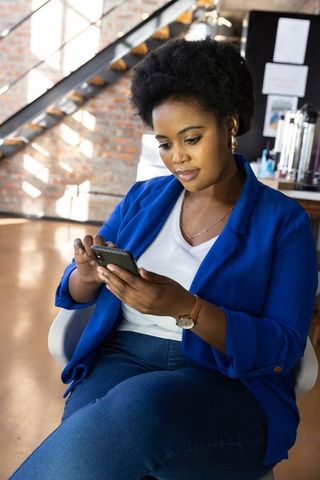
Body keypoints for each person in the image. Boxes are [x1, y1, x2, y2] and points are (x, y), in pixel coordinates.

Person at [10, 38, 317, 480]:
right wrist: (86, 274)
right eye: (165, 143)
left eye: (191, 138)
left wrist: (185, 308)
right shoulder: (144, 198)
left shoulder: (284, 222)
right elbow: (74, 291)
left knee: (136, 410)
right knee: (100, 424)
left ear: (230, 124)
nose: (177, 158)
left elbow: (282, 349)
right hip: (122, 357)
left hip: (223, 380)